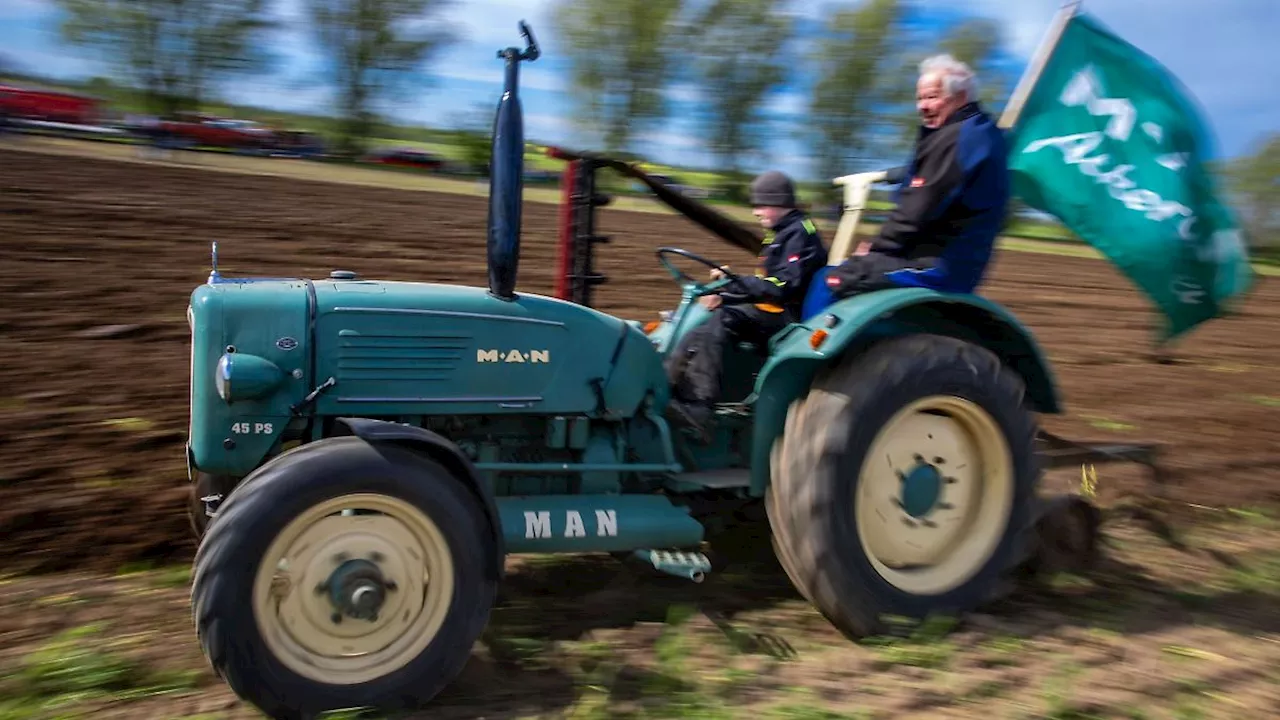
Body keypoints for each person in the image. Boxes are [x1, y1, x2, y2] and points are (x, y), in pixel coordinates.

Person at [824, 53, 1010, 299]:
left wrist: (875, 250)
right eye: (920, 98)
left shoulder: (958, 138)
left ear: (961, 97)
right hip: (941, 257)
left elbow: (917, 209)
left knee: (829, 280)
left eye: (932, 97)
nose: (922, 106)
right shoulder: (975, 134)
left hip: (937, 264)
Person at [664, 170, 828, 442]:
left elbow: (784, 286)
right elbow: (765, 286)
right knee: (695, 326)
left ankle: (699, 408)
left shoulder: (800, 233)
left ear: (778, 201)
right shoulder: (780, 232)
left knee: (721, 320)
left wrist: (735, 284)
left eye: (760, 205)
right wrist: (727, 291)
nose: (755, 212)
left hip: (788, 317)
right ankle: (664, 387)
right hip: (771, 307)